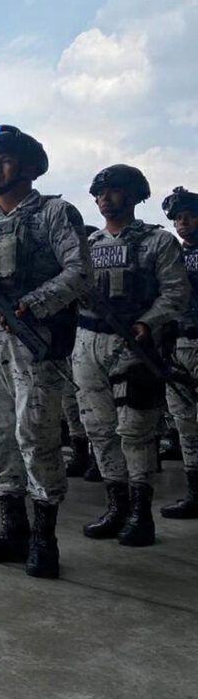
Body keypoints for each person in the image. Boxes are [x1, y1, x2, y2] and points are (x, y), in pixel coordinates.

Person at [0, 125, 90, 579]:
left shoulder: (54, 213)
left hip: (33, 337)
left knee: (36, 435)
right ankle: (13, 529)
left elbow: (79, 272)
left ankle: (45, 538)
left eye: (4, 160)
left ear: (27, 167)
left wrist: (34, 305)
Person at [74, 165, 189, 547]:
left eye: (113, 191)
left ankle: (141, 514)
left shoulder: (158, 241)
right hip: (88, 343)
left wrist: (147, 322)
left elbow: (176, 292)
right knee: (99, 429)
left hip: (134, 345)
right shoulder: (87, 246)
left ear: (134, 194)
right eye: (99, 193)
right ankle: (116, 506)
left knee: (136, 431)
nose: (104, 199)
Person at [161, 186, 198, 519]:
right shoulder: (172, 257)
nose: (182, 223)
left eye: (189, 217)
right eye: (177, 219)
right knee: (184, 423)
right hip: (177, 344)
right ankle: (194, 491)